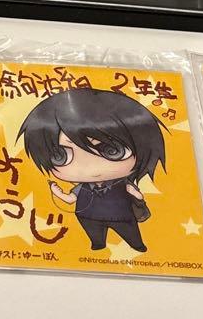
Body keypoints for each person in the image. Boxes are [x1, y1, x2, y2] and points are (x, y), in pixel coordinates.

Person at [18, 88, 166, 253]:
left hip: (121, 216)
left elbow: (137, 196)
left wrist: (137, 196)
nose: (89, 166)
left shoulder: (121, 183)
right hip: (88, 217)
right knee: (96, 237)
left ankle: (137, 244)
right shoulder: (82, 187)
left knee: (130, 233)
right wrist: (57, 192)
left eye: (112, 150)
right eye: (61, 156)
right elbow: (70, 199)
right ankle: (98, 243)